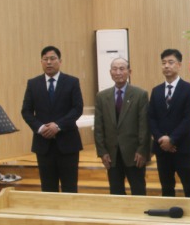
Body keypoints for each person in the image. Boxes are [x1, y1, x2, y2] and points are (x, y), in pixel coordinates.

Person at [20, 46, 84, 193]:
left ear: (60, 61)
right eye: (45, 59)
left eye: (52, 59)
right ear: (41, 62)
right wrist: (41, 128)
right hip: (43, 144)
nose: (49, 62)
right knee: (48, 188)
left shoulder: (72, 82)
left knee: (70, 187)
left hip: (68, 143)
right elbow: (26, 111)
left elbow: (77, 108)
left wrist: (58, 125)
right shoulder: (33, 84)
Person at [94, 57, 151, 195]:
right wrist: (102, 152)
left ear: (129, 72)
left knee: (138, 191)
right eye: (114, 69)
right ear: (110, 72)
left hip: (135, 154)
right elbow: (98, 128)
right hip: (112, 155)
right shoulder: (102, 96)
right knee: (115, 192)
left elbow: (144, 126)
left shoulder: (140, 94)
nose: (118, 72)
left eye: (122, 68)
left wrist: (142, 150)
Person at [148, 48, 190, 197]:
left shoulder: (189, 89)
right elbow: (151, 118)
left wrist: (172, 139)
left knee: (189, 186)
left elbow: (188, 118)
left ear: (179, 65)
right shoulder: (156, 90)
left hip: (182, 147)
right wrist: (161, 139)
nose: (166, 66)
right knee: (166, 187)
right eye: (163, 63)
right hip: (161, 148)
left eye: (171, 62)